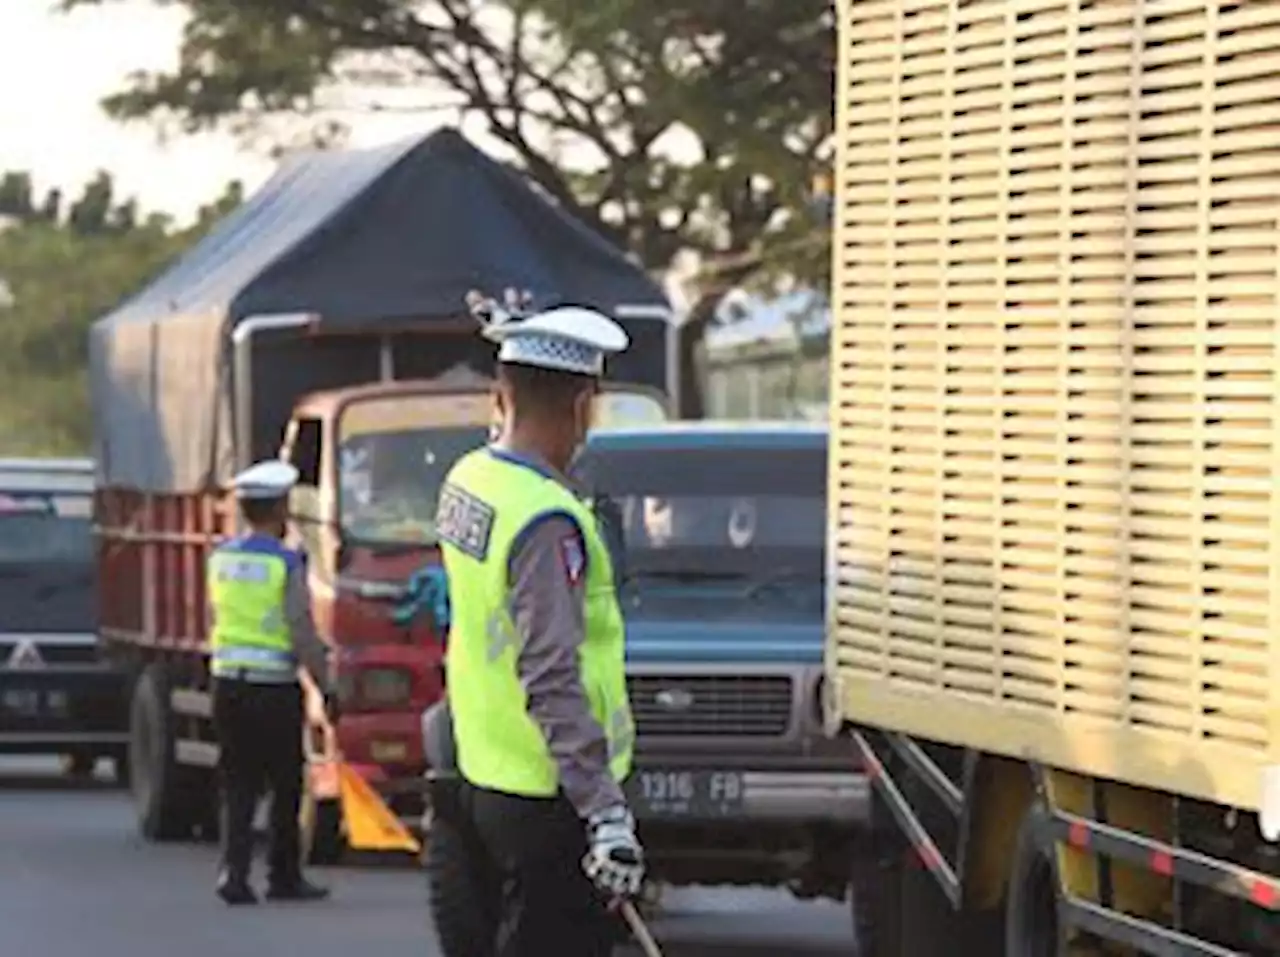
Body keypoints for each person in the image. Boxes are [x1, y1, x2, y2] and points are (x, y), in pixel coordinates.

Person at [436, 301, 644, 956]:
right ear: (585, 403)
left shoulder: (470, 479)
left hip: (481, 768)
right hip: (550, 793)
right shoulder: (547, 521)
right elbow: (551, 671)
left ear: (501, 393)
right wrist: (604, 810)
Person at [208, 459, 333, 906]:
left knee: (237, 783)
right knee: (285, 783)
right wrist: (326, 683)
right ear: (280, 509)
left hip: (227, 684)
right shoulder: (285, 562)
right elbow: (301, 628)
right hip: (274, 687)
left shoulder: (221, 557)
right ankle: (283, 877)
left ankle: (232, 874)